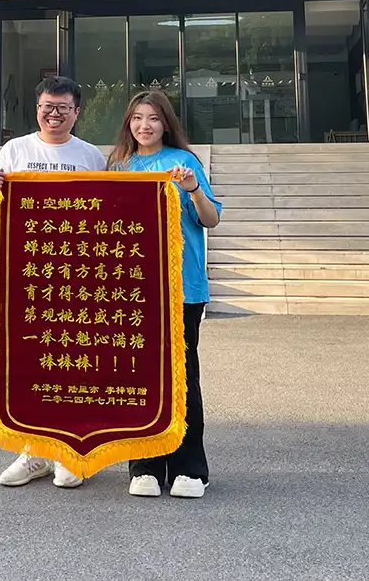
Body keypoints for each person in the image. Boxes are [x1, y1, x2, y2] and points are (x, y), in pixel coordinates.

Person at [0, 76, 107, 489]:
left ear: (76, 112)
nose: (54, 114)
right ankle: (34, 452)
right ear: (37, 109)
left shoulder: (90, 156)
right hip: (27, 276)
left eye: (62, 108)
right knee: (32, 362)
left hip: (76, 275)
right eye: (47, 107)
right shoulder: (15, 150)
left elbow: (108, 210)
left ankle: (69, 453)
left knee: (72, 362)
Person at [107, 90, 222, 499]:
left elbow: (211, 219)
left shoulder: (184, 162)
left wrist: (193, 189)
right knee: (138, 377)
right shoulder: (118, 166)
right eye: (137, 118)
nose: (145, 125)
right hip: (134, 291)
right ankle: (145, 466)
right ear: (129, 123)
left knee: (184, 376)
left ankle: (190, 468)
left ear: (166, 123)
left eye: (153, 118)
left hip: (182, 288)